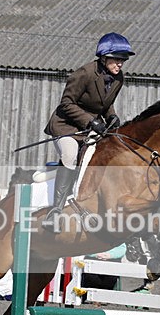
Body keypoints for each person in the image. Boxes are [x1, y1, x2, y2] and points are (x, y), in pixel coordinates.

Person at [41, 32, 135, 233]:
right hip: (66, 126)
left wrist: (111, 116)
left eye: (122, 60)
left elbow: (105, 104)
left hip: (91, 127)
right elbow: (66, 104)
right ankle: (55, 211)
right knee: (70, 155)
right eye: (117, 59)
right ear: (104, 57)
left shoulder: (119, 78)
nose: (120, 64)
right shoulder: (84, 73)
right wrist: (90, 120)